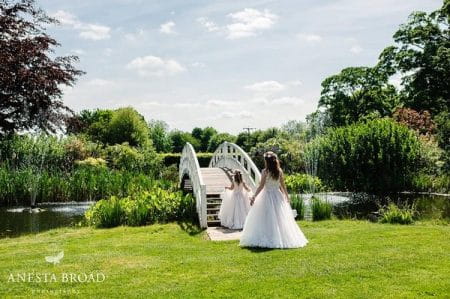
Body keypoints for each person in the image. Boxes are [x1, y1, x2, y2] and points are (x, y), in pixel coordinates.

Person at [240, 152, 308, 248]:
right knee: (279, 217)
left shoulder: (265, 171)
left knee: (266, 217)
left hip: (267, 195)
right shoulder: (279, 171)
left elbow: (261, 185)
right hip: (277, 196)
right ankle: (279, 236)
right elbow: (282, 186)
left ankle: (270, 235)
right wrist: (287, 196)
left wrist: (254, 196)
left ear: (267, 162)